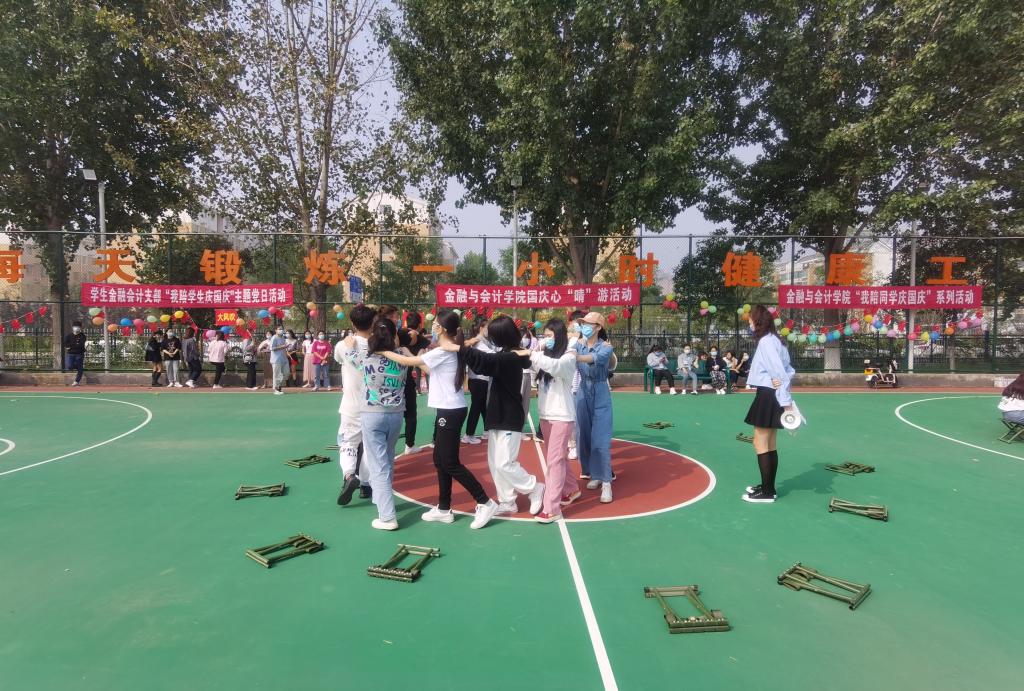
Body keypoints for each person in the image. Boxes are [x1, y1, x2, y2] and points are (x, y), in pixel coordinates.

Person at [381, 309, 499, 529]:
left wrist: (384, 351)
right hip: (449, 410)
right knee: (439, 460)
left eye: (435, 323)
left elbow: (409, 361)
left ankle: (485, 502)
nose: (433, 326)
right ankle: (444, 508)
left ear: (442, 329)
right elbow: (429, 369)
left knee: (450, 462)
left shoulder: (443, 350)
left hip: (450, 411)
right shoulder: (447, 349)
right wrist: (405, 351)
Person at [442, 315, 545, 516]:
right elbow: (486, 361)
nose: (490, 336)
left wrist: (457, 347)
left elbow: (486, 361)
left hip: (509, 416)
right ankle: (507, 501)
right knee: (495, 464)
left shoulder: (511, 357)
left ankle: (534, 487)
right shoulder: (508, 353)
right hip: (497, 414)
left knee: (504, 463)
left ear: (501, 335)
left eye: (493, 333)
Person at [342, 316, 409, 531]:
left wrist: (350, 345)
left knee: (378, 465)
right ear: (394, 336)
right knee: (387, 459)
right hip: (396, 415)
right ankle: (380, 499)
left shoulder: (365, 356)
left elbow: (349, 357)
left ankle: (387, 517)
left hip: (372, 415)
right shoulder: (402, 357)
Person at [742, 304, 796, 504]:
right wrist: (782, 390)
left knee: (760, 442)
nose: (749, 324)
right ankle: (767, 486)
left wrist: (785, 400)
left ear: (757, 321)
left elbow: (779, 371)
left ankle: (767, 491)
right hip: (773, 393)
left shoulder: (766, 342)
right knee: (770, 443)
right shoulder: (777, 340)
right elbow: (788, 370)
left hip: (768, 394)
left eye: (750, 320)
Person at [529, 318, 581, 523]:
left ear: (560, 337)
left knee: (554, 461)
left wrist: (534, 352)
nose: (546, 339)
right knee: (559, 458)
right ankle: (572, 488)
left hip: (562, 416)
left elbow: (555, 366)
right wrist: (536, 348)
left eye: (550, 336)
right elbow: (533, 368)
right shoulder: (544, 357)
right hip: (546, 416)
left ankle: (552, 507)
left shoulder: (568, 358)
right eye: (545, 336)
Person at [335, 304, 376, 507]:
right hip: (374, 404)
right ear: (373, 323)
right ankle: (366, 484)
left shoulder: (343, 345)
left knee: (348, 443)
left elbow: (338, 358)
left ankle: (349, 475)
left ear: (352, 323)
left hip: (351, 405)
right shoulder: (378, 345)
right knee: (369, 446)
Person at [574, 312, 615, 503]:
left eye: (588, 324)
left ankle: (606, 482)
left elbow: (593, 358)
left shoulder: (606, 347)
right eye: (582, 323)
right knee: (583, 436)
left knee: (601, 440)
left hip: (600, 392)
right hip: (582, 391)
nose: (584, 326)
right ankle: (594, 474)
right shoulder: (578, 344)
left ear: (598, 327)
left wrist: (575, 356)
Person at [462, 316, 493, 444]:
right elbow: (492, 354)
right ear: (481, 327)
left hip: (481, 379)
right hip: (478, 379)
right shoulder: (478, 341)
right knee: (476, 407)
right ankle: (468, 434)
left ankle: (487, 430)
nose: (489, 330)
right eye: (487, 327)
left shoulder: (483, 340)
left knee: (483, 406)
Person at [64, 320, 87, 386]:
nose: (76, 328)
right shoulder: (69, 336)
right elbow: (65, 344)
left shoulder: (82, 336)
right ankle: (79, 367)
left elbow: (80, 345)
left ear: (80, 328)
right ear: (72, 327)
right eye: (75, 326)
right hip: (70, 353)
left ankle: (77, 381)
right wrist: (73, 345)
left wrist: (71, 345)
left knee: (80, 368)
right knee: (69, 366)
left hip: (79, 353)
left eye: (78, 326)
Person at [269, 326, 289, 395]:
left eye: (282, 329)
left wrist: (286, 347)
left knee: (286, 373)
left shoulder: (283, 337)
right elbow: (272, 348)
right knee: (277, 374)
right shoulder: (274, 338)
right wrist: (283, 346)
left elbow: (284, 347)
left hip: (284, 358)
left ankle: (279, 386)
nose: (281, 330)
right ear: (276, 330)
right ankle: (276, 389)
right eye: (279, 329)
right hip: (276, 359)